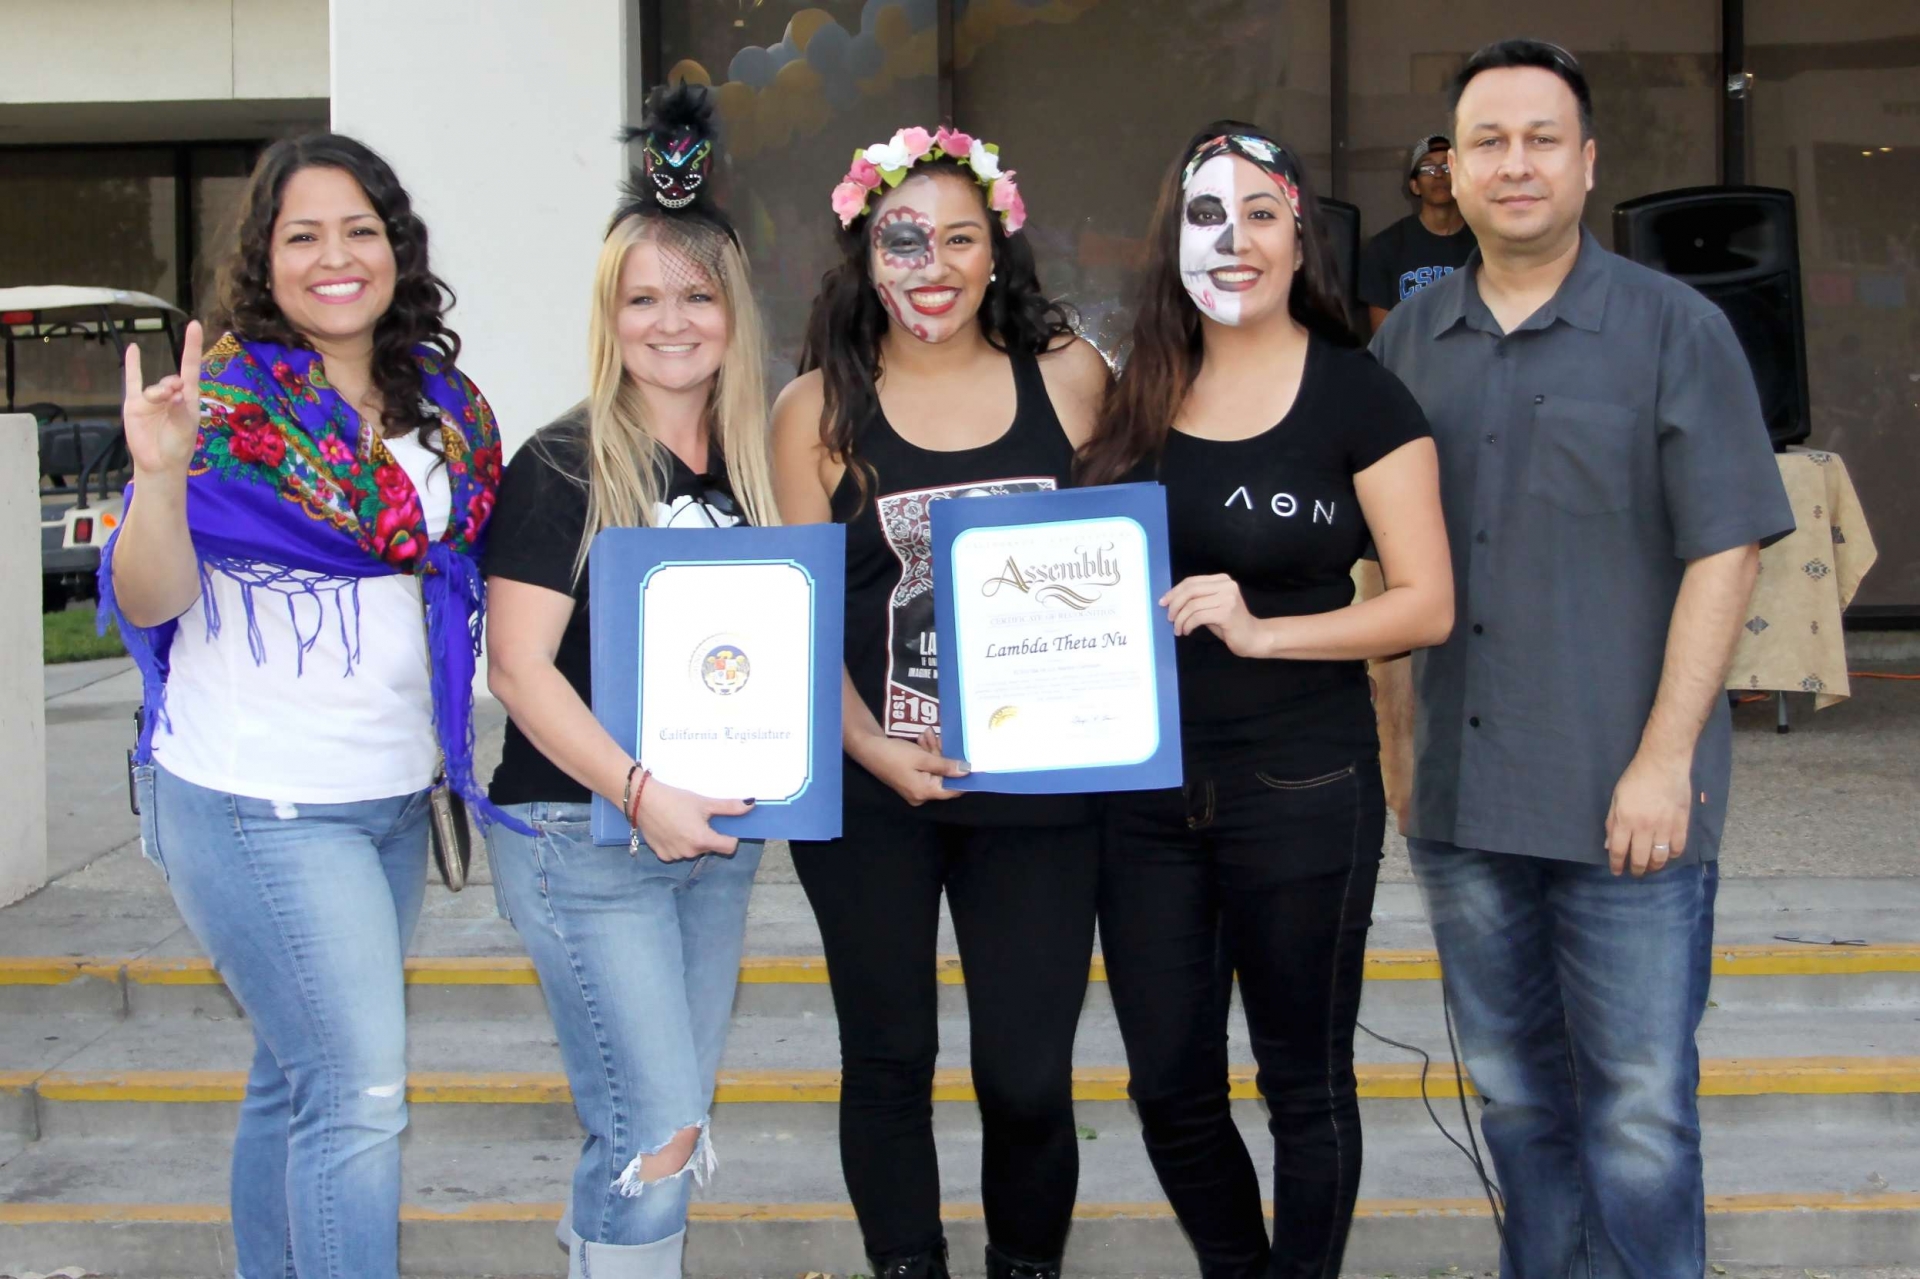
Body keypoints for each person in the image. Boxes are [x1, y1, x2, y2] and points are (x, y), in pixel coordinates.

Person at [1367, 40, 1794, 1279]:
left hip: (1630, 809)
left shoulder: (1677, 328)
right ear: (1449, 166)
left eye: (1541, 138)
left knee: (1641, 1115)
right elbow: (1385, 577)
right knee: (1515, 1105)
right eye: (1486, 140)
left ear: (1588, 162)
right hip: (1463, 801)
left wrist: (1666, 761)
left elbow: (1730, 553)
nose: (1514, 163)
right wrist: (1401, 749)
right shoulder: (1405, 348)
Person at [101, 133, 509, 1279]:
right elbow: (151, 595)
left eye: (359, 230)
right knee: (360, 1090)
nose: (336, 257)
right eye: (303, 235)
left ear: (395, 246)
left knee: (297, 1076)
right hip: (254, 800)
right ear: (264, 259)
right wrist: (162, 477)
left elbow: (466, 565)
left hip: (385, 798)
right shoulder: (222, 408)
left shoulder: (445, 405)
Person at [1077, 122, 1453, 1279]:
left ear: (1301, 239)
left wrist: (1264, 629)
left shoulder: (1360, 395)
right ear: (1171, 242)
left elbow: (1426, 603)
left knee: (1304, 1084)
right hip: (1140, 798)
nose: (1230, 239)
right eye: (1204, 215)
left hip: (1302, 784)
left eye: (1258, 214)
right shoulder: (1129, 391)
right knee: (1170, 1090)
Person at [771, 125, 1111, 1279]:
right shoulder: (812, 409)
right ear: (865, 252)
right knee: (889, 1057)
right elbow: (798, 618)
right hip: (876, 790)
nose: (932, 263)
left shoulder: (1069, 379)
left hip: (1043, 786)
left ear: (999, 247)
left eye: (960, 236)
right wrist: (871, 748)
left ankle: (1026, 1265)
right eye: (902, 237)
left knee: (1027, 1072)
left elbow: (1122, 560)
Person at [481, 85, 777, 1279]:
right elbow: (517, 666)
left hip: (714, 842)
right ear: (610, 315)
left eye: (696, 295)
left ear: (733, 310)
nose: (672, 321)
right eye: (643, 298)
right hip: (582, 833)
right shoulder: (562, 460)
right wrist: (642, 788)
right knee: (654, 1134)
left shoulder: (758, 463)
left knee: (660, 1115)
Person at [1359, 134, 1476, 331]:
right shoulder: (1386, 247)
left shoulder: (1486, 244)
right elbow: (1383, 341)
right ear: (1415, 185)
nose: (1438, 174)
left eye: (1447, 166)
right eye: (1428, 168)